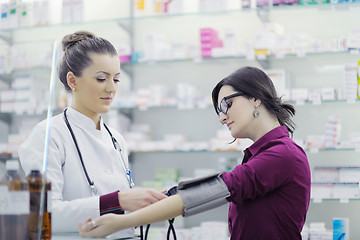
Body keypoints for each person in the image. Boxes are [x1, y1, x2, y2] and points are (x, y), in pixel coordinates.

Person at [78, 66, 311, 240]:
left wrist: (123, 222)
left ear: (255, 99)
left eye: (226, 105)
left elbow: (220, 188)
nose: (222, 117)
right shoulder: (261, 155)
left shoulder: (283, 155)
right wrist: (172, 193)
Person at [18, 31, 166, 238]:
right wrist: (118, 201)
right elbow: (43, 214)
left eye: (116, 79)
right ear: (73, 81)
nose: (111, 88)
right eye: (101, 78)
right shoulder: (48, 135)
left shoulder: (116, 139)